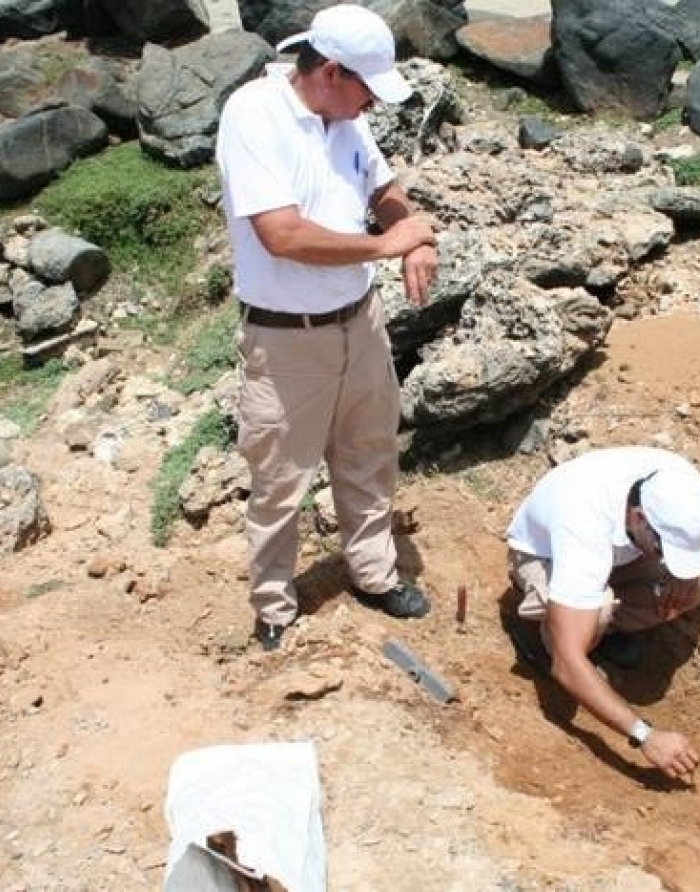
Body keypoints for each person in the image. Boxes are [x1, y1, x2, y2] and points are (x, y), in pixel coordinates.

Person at [215, 4, 439, 651]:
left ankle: (373, 574)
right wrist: (387, 246)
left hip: (358, 322)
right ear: (331, 71)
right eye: (367, 89)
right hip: (287, 338)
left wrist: (412, 233)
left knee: (368, 452)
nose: (372, 104)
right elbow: (281, 234)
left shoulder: (343, 119)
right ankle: (275, 606)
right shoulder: (254, 115)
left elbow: (383, 188)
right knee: (282, 480)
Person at [506, 447, 700, 781]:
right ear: (639, 519)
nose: (667, 559)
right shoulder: (584, 528)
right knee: (593, 615)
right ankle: (557, 637)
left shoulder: (680, 485)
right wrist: (645, 735)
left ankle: (602, 632)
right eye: (664, 550)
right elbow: (567, 662)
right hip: (545, 558)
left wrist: (691, 569)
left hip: (620, 556)